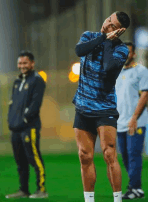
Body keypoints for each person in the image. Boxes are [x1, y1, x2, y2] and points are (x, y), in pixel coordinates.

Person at [73, 11, 130, 202]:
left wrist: (107, 42)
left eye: (112, 25)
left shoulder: (121, 50)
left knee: (109, 153)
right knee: (84, 155)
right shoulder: (89, 36)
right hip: (82, 106)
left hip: (105, 109)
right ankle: (89, 200)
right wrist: (104, 37)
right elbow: (79, 51)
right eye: (108, 20)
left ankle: (117, 199)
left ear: (120, 31)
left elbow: (107, 70)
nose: (106, 25)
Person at [6, 50, 48, 199]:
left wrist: (24, 119)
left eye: (25, 63)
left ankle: (41, 190)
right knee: (20, 161)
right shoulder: (17, 81)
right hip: (16, 128)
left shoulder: (37, 80)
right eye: (20, 63)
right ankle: (23, 190)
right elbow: (13, 104)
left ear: (32, 63)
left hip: (29, 127)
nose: (22, 66)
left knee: (34, 158)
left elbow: (35, 105)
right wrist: (11, 120)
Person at [116, 42, 148, 200]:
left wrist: (134, 117)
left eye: (127, 52)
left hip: (136, 121)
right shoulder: (117, 72)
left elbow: (145, 95)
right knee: (126, 157)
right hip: (120, 122)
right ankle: (136, 188)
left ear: (133, 54)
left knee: (134, 154)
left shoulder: (141, 71)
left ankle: (134, 187)